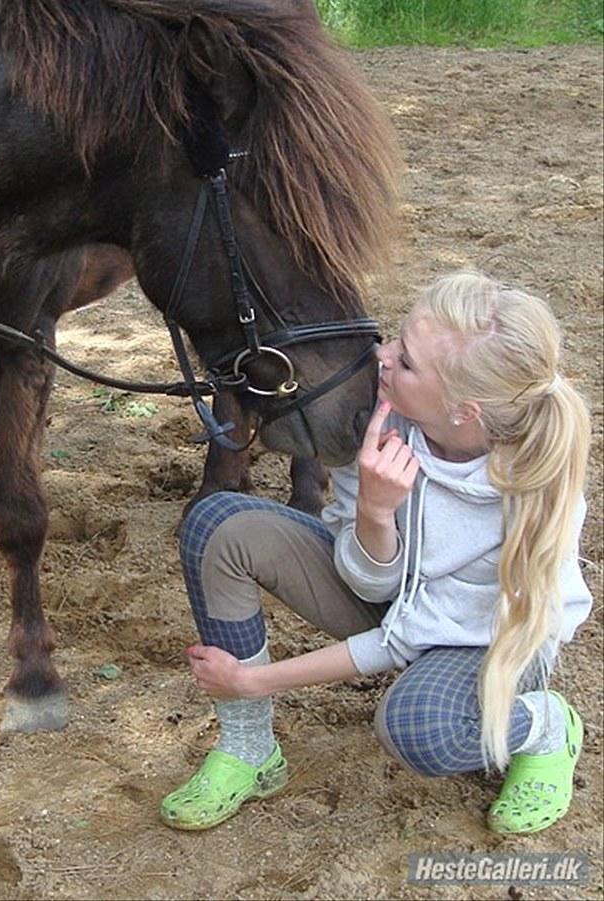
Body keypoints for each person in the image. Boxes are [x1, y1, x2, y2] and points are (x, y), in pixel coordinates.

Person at [160, 271, 592, 834]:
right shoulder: (382, 424)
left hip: (484, 640)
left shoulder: (529, 485)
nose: (381, 358)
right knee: (219, 525)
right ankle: (249, 748)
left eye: (407, 362)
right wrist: (374, 510)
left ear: (465, 410)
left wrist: (253, 679)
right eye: (395, 338)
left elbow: (408, 636)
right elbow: (371, 588)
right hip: (401, 604)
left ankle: (544, 725)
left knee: (420, 729)